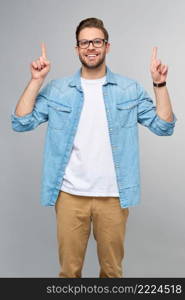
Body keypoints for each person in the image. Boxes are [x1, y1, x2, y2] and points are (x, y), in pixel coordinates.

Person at [11, 17, 177, 278]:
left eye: (97, 41)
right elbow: (21, 122)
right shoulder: (58, 90)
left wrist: (160, 84)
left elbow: (164, 127)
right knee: (69, 273)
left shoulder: (128, 89)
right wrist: (36, 80)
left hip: (113, 197)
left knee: (112, 274)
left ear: (107, 46)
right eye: (84, 42)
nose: (91, 47)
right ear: (77, 48)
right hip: (69, 196)